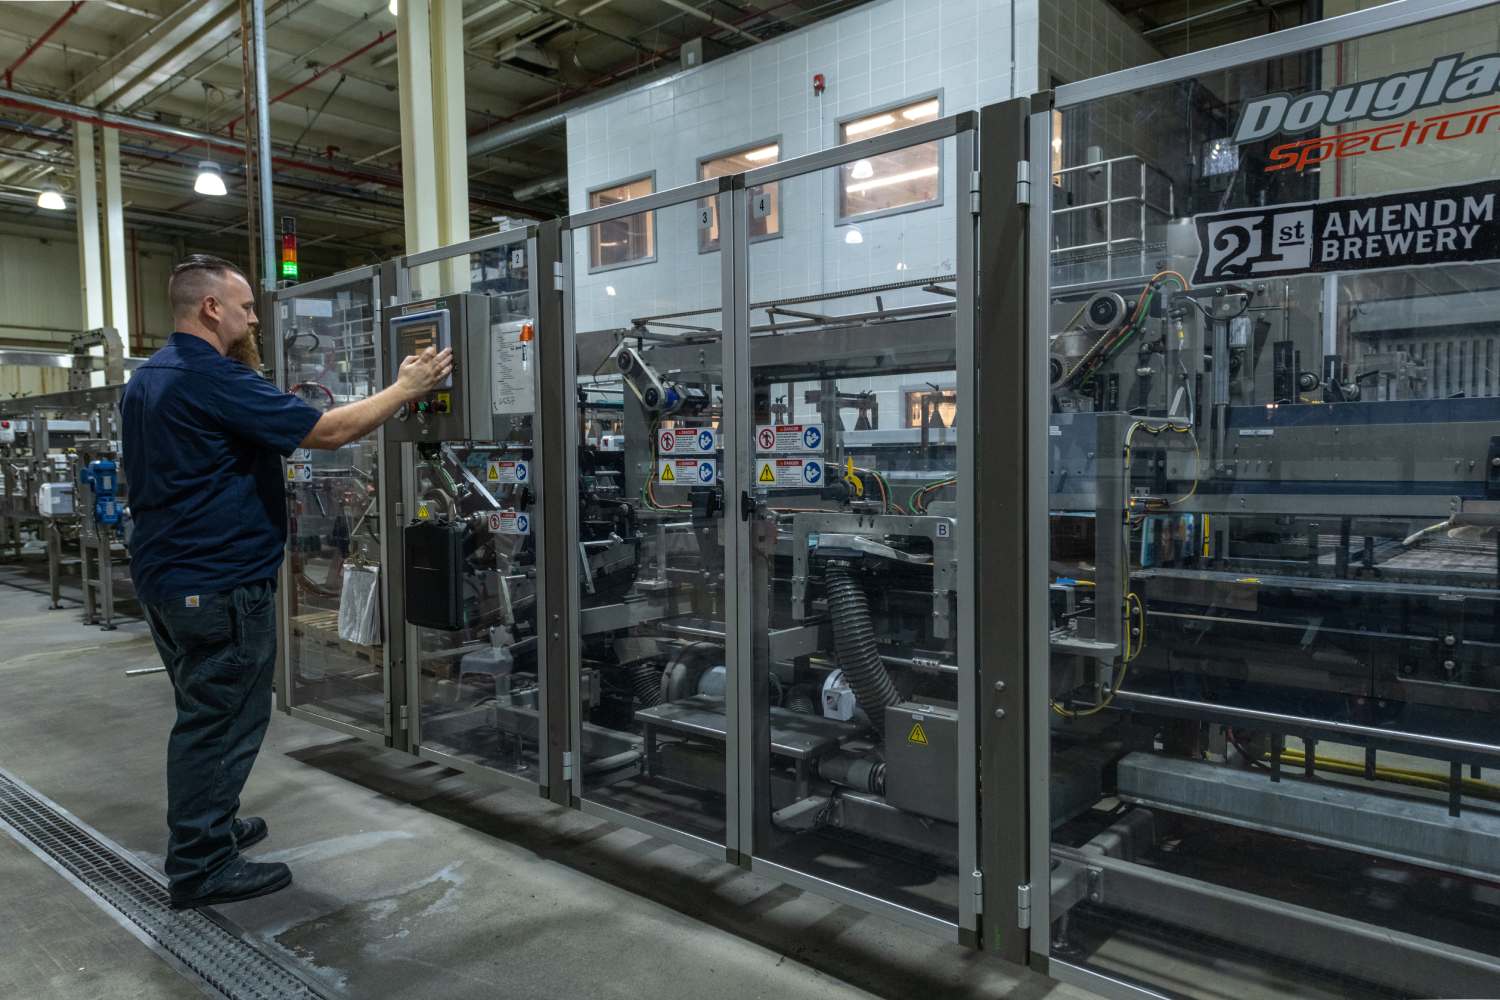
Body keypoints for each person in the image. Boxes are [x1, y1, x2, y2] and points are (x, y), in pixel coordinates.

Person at [122, 255, 452, 909]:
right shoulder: (208, 375)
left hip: (166, 576)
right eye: (245, 309)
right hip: (217, 582)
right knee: (219, 720)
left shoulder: (148, 378)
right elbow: (329, 431)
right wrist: (407, 386)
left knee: (204, 709)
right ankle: (201, 864)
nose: (252, 320)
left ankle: (209, 823)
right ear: (211, 308)